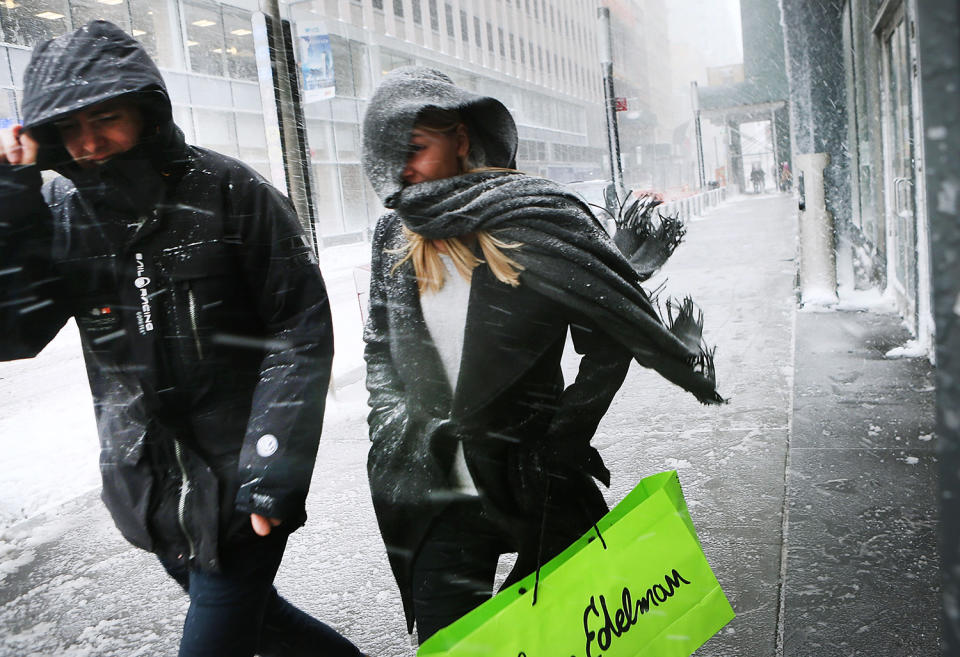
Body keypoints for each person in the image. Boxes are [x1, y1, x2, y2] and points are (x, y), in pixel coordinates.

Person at [0, 21, 364, 657]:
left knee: (219, 633)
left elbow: (299, 326)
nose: (89, 143)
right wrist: (13, 201)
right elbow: (15, 331)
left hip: (240, 480)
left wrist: (272, 465)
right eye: (69, 128)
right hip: (153, 489)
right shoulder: (60, 213)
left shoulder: (230, 191)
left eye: (106, 118)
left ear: (145, 109)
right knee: (264, 624)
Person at [360, 66, 723, 643]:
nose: (401, 172)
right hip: (432, 481)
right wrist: (390, 421)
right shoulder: (393, 234)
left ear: (460, 138)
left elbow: (606, 340)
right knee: (449, 646)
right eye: (387, 157)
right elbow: (379, 344)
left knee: (562, 638)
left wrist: (563, 435)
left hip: (531, 477)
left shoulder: (534, 217)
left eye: (415, 150)